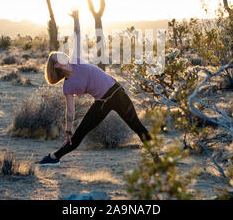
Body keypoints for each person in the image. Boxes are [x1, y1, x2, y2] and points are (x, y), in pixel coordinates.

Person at [38, 10, 153, 166]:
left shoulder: (75, 60)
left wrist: (77, 19)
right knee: (79, 134)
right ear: (57, 65)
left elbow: (77, 36)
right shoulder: (68, 86)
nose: (63, 54)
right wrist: (68, 130)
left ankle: (158, 158)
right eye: (59, 56)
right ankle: (54, 158)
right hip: (102, 103)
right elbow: (70, 111)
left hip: (118, 93)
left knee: (137, 126)